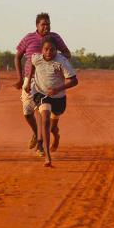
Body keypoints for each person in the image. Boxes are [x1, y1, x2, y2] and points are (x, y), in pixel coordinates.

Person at [14, 13, 71, 150]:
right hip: (30, 79)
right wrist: (20, 78)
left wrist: (59, 65)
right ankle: (36, 133)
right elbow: (17, 57)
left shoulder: (55, 38)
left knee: (42, 113)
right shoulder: (29, 38)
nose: (46, 27)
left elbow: (67, 54)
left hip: (48, 81)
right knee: (27, 112)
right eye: (43, 24)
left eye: (48, 24)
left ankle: (41, 142)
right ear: (37, 26)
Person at [25, 36, 78, 166]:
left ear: (56, 50)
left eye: (52, 50)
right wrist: (28, 82)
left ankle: (57, 136)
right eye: (46, 49)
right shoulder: (36, 57)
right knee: (45, 120)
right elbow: (32, 64)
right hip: (41, 94)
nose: (49, 52)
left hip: (59, 98)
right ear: (41, 50)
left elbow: (74, 81)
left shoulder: (62, 61)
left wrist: (58, 89)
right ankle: (47, 156)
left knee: (53, 127)